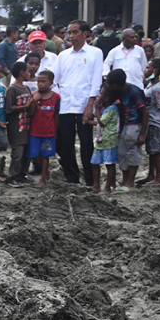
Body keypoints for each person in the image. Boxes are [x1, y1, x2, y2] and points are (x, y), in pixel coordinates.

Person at [51, 19, 103, 186]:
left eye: (75, 32)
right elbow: (54, 79)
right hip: (65, 104)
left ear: (85, 33)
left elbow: (96, 80)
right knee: (65, 143)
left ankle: (90, 179)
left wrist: (90, 105)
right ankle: (72, 177)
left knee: (87, 143)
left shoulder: (95, 53)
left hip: (84, 104)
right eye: (69, 33)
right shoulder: (63, 55)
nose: (71, 36)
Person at [105, 68, 148, 191]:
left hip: (135, 125)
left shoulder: (134, 92)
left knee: (132, 152)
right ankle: (125, 180)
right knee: (122, 152)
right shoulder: (121, 92)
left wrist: (142, 134)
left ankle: (131, 181)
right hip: (126, 125)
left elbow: (145, 112)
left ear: (114, 85)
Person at [139, 57, 160, 185]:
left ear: (155, 70)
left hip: (155, 123)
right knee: (151, 150)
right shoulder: (150, 84)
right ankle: (151, 175)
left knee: (156, 151)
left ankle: (159, 178)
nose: (145, 70)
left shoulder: (157, 88)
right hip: (150, 122)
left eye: (148, 67)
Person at [27, 70, 59, 187]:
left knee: (45, 155)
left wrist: (55, 132)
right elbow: (30, 114)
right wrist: (34, 101)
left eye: (43, 81)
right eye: (38, 81)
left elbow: (56, 115)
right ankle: (45, 173)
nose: (40, 84)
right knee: (35, 155)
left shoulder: (56, 97)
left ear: (51, 82)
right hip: (35, 131)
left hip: (48, 133)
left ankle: (43, 179)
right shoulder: (34, 95)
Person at [5, 61, 34, 186]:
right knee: (18, 153)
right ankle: (13, 176)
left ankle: (23, 174)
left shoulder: (26, 88)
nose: (29, 73)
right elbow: (8, 108)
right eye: (27, 71)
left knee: (27, 153)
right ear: (22, 73)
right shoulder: (12, 89)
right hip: (16, 127)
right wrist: (24, 106)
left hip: (27, 126)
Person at [88, 84, 121, 194]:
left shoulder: (112, 109)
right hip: (101, 140)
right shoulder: (106, 108)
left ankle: (108, 187)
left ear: (106, 97)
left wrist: (97, 109)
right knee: (95, 162)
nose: (98, 95)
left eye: (101, 93)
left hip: (109, 140)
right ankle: (96, 185)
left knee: (109, 164)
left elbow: (102, 122)